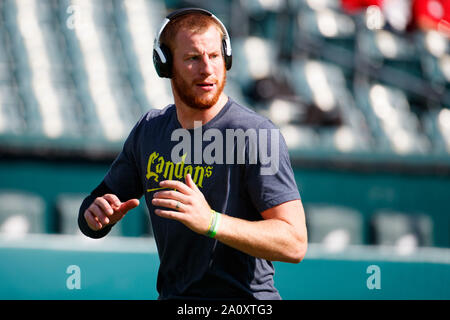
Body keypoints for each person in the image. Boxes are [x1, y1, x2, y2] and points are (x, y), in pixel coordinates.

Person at [78, 7, 307, 300]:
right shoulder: (150, 129)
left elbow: (295, 242)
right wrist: (95, 217)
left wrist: (211, 222)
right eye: (192, 58)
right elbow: (94, 209)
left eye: (214, 56)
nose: (207, 69)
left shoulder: (257, 134)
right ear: (165, 65)